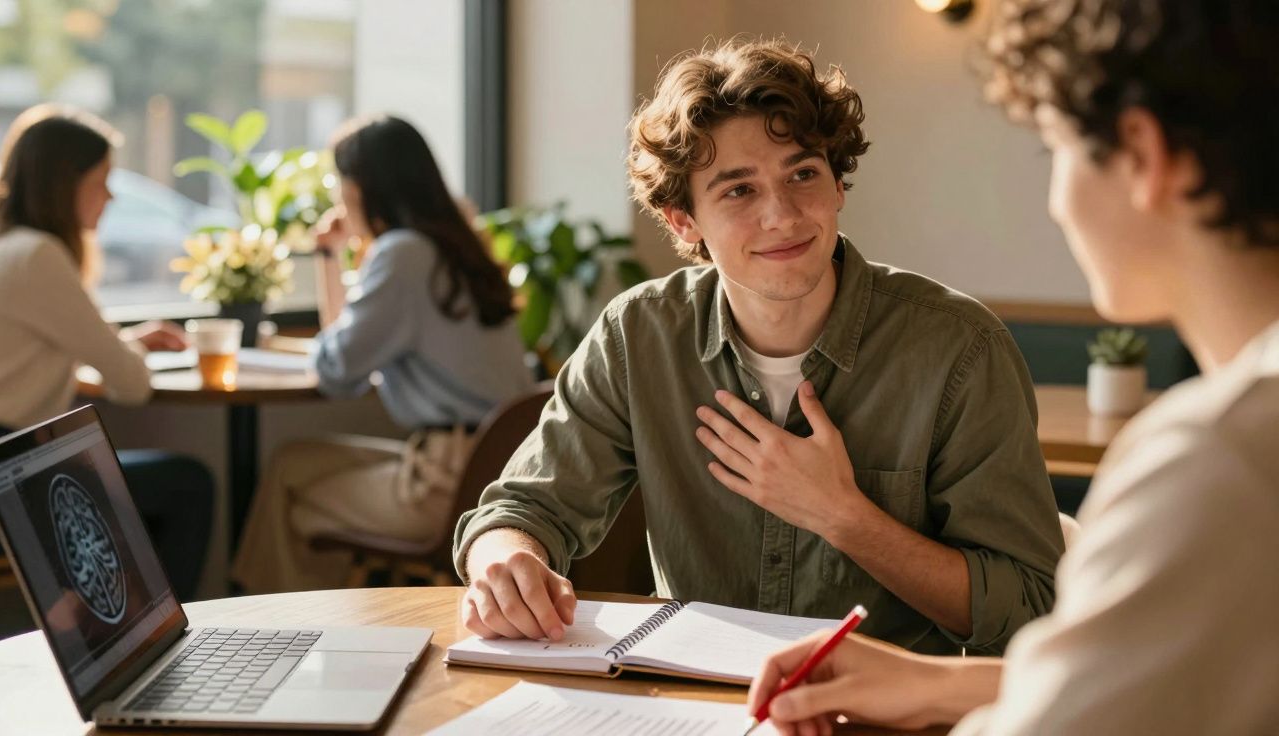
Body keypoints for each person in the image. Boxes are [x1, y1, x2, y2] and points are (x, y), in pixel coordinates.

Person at [748, 2, 1279, 734]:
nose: (1057, 203)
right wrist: (937, 685)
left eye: (1052, 150)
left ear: (1141, 154)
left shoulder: (1219, 460)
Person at [453, 38, 1064, 656]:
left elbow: (1027, 608)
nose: (783, 214)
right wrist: (505, 561)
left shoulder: (960, 350)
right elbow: (522, 510)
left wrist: (842, 515)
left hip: (881, 717)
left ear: (838, 184)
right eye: (738, 190)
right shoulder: (637, 337)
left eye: (803, 173)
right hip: (690, 710)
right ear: (682, 221)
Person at [231, 115, 534, 594]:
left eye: (340, 182)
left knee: (291, 500)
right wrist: (333, 257)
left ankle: (268, 629)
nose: (338, 196)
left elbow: (335, 370)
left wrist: (347, 256)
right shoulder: (453, 247)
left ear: (362, 188)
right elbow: (347, 355)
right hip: (485, 466)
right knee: (291, 462)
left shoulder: (403, 254)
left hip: (442, 483)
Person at [0, 104, 215, 600]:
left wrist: (126, 342)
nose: (111, 195)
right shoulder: (39, 256)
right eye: (101, 180)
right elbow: (133, 384)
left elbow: (35, 350)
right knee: (189, 483)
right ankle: (168, 639)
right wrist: (125, 349)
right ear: (65, 184)